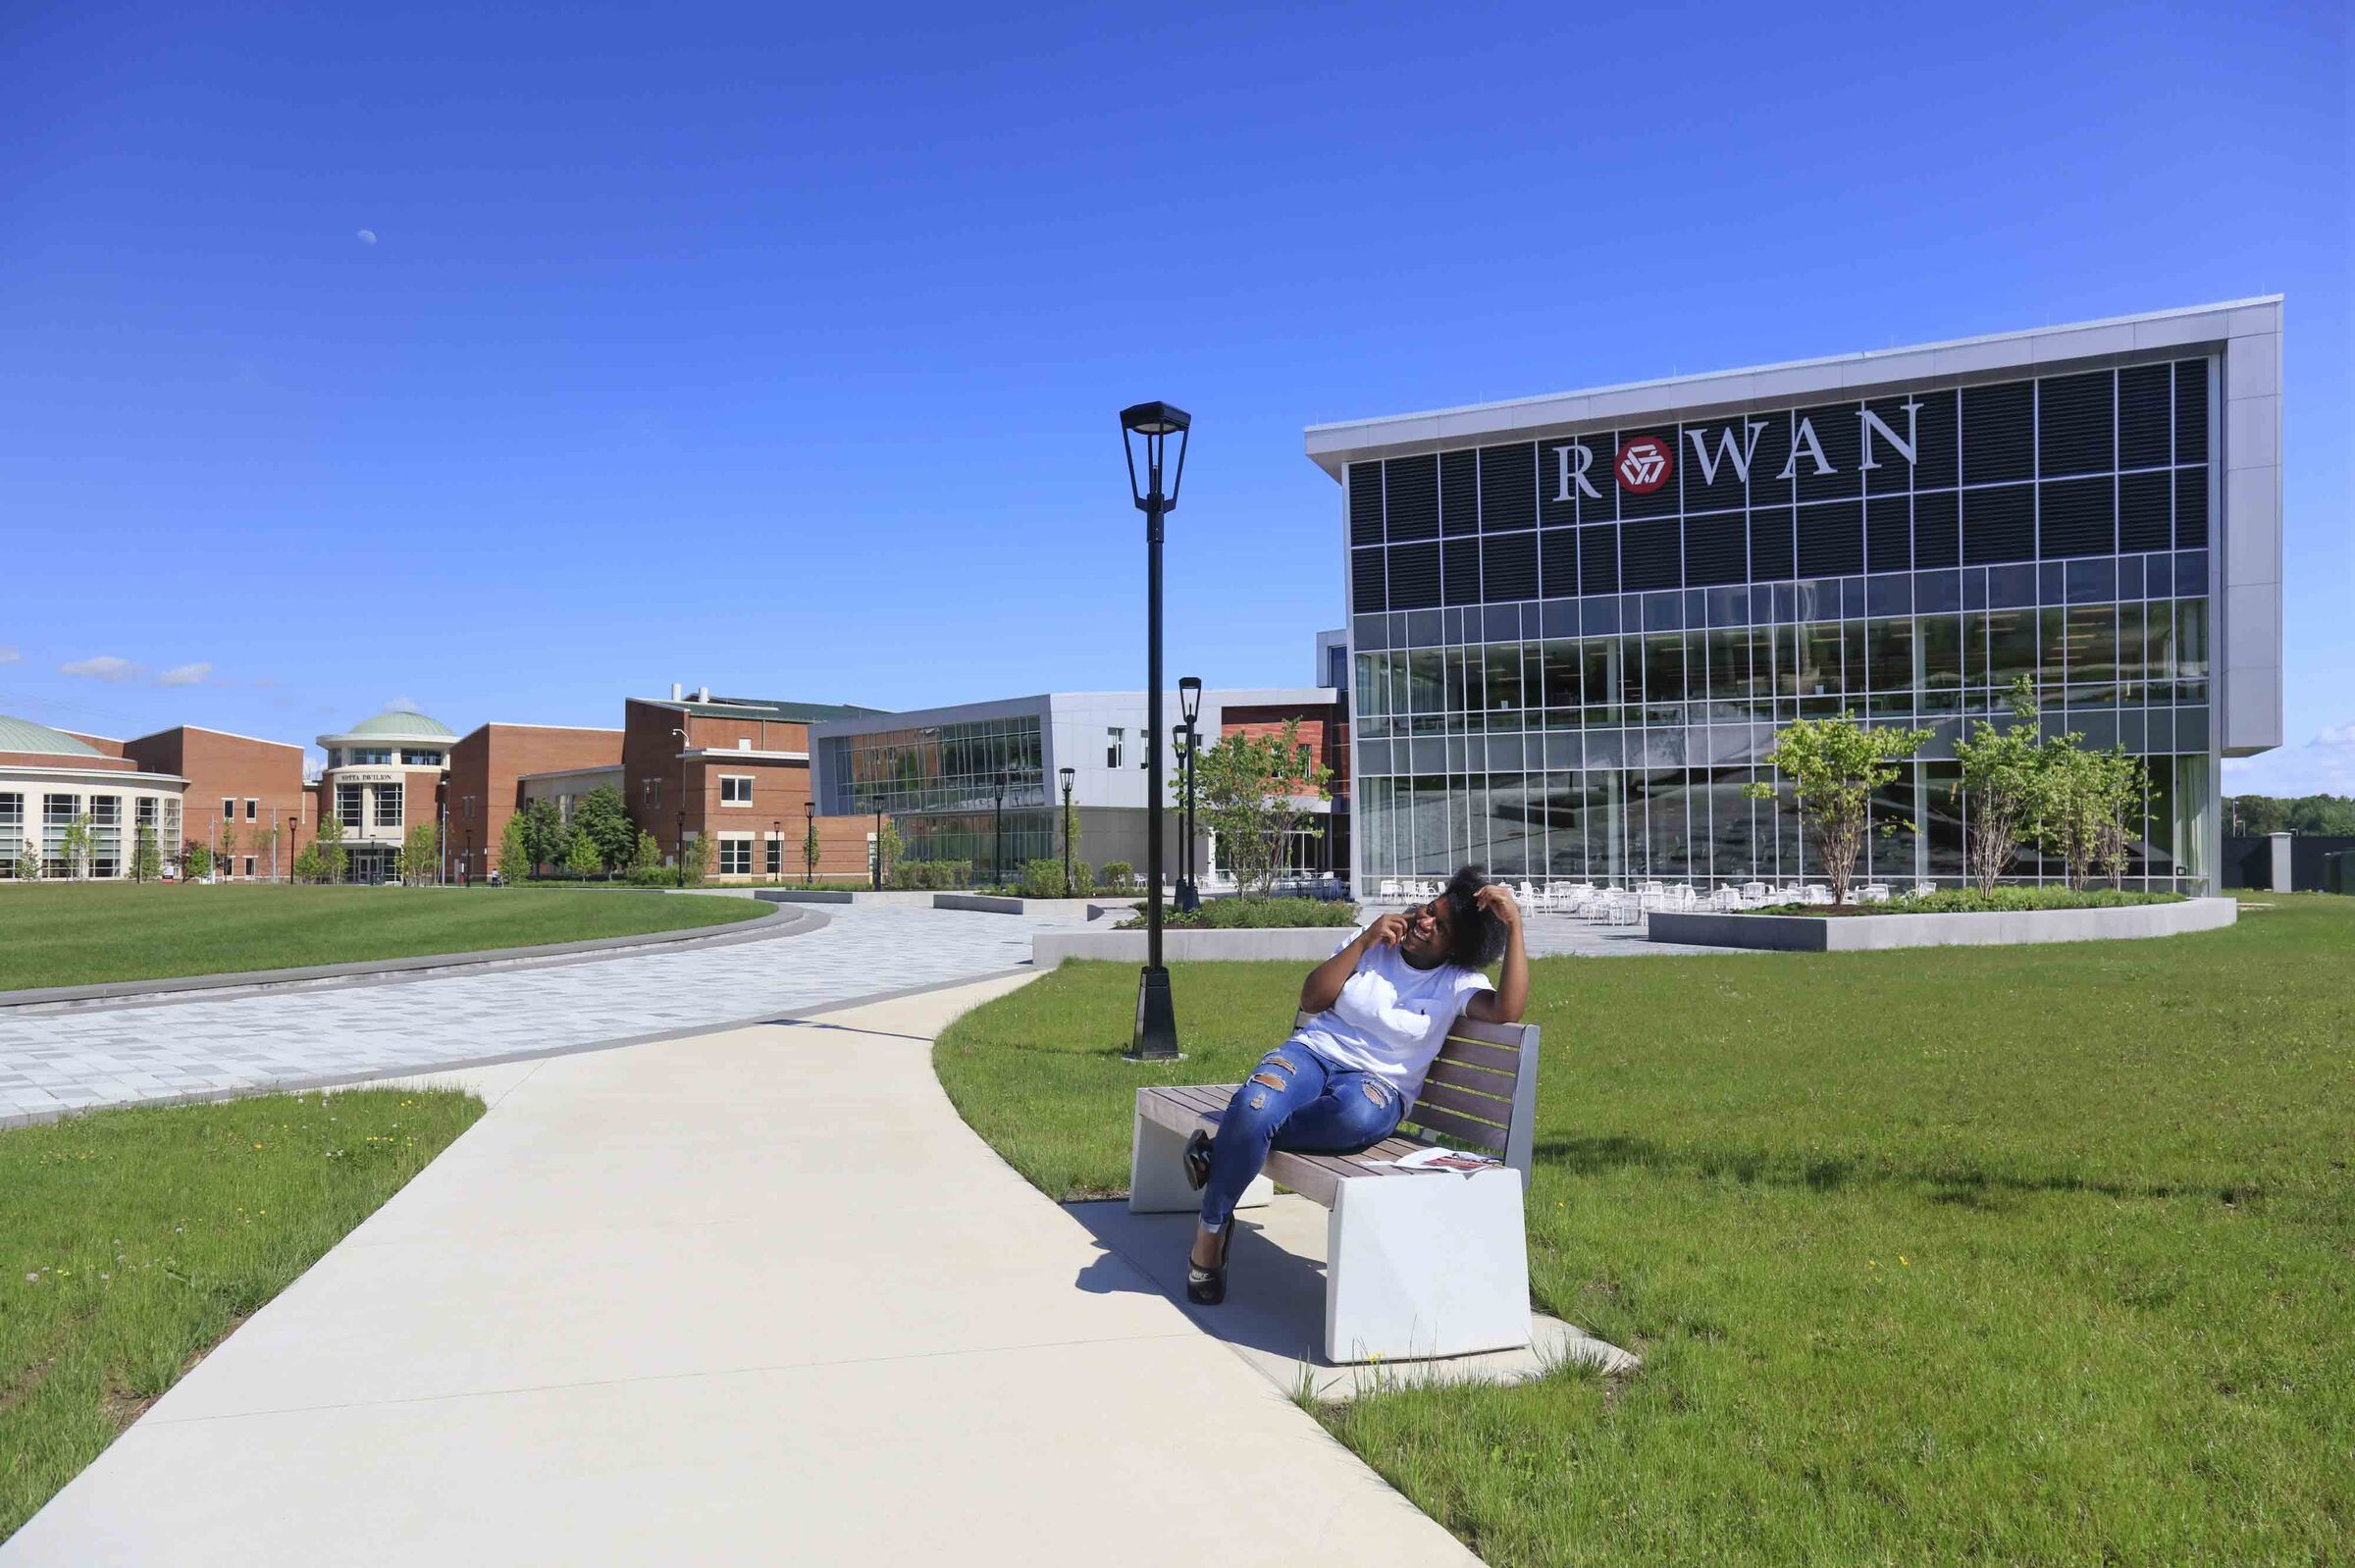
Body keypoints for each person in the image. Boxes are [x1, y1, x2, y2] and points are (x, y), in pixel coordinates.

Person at [1180, 864, 1528, 1305]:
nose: (1424, 921)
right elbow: (1312, 998)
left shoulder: (1458, 982)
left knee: (1351, 1117)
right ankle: (1210, 1234)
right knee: (1254, 1107)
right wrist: (1364, 940)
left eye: (1440, 926)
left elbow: (1507, 1010)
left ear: (1458, 946)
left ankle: (1224, 1147)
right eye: (1428, 909)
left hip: (1378, 1086)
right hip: (1313, 1054)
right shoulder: (1375, 945)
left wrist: (1514, 923)